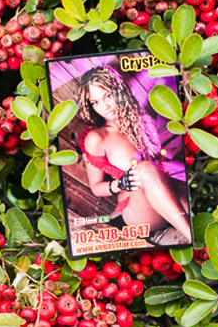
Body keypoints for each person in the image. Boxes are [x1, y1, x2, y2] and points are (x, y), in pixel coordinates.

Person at [75, 65, 194, 246]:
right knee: (144, 169)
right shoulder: (97, 137)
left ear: (119, 90)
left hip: (167, 193)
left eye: (107, 96)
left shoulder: (141, 121)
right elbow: (96, 187)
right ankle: (194, 239)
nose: (104, 107)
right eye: (95, 102)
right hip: (137, 211)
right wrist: (119, 184)